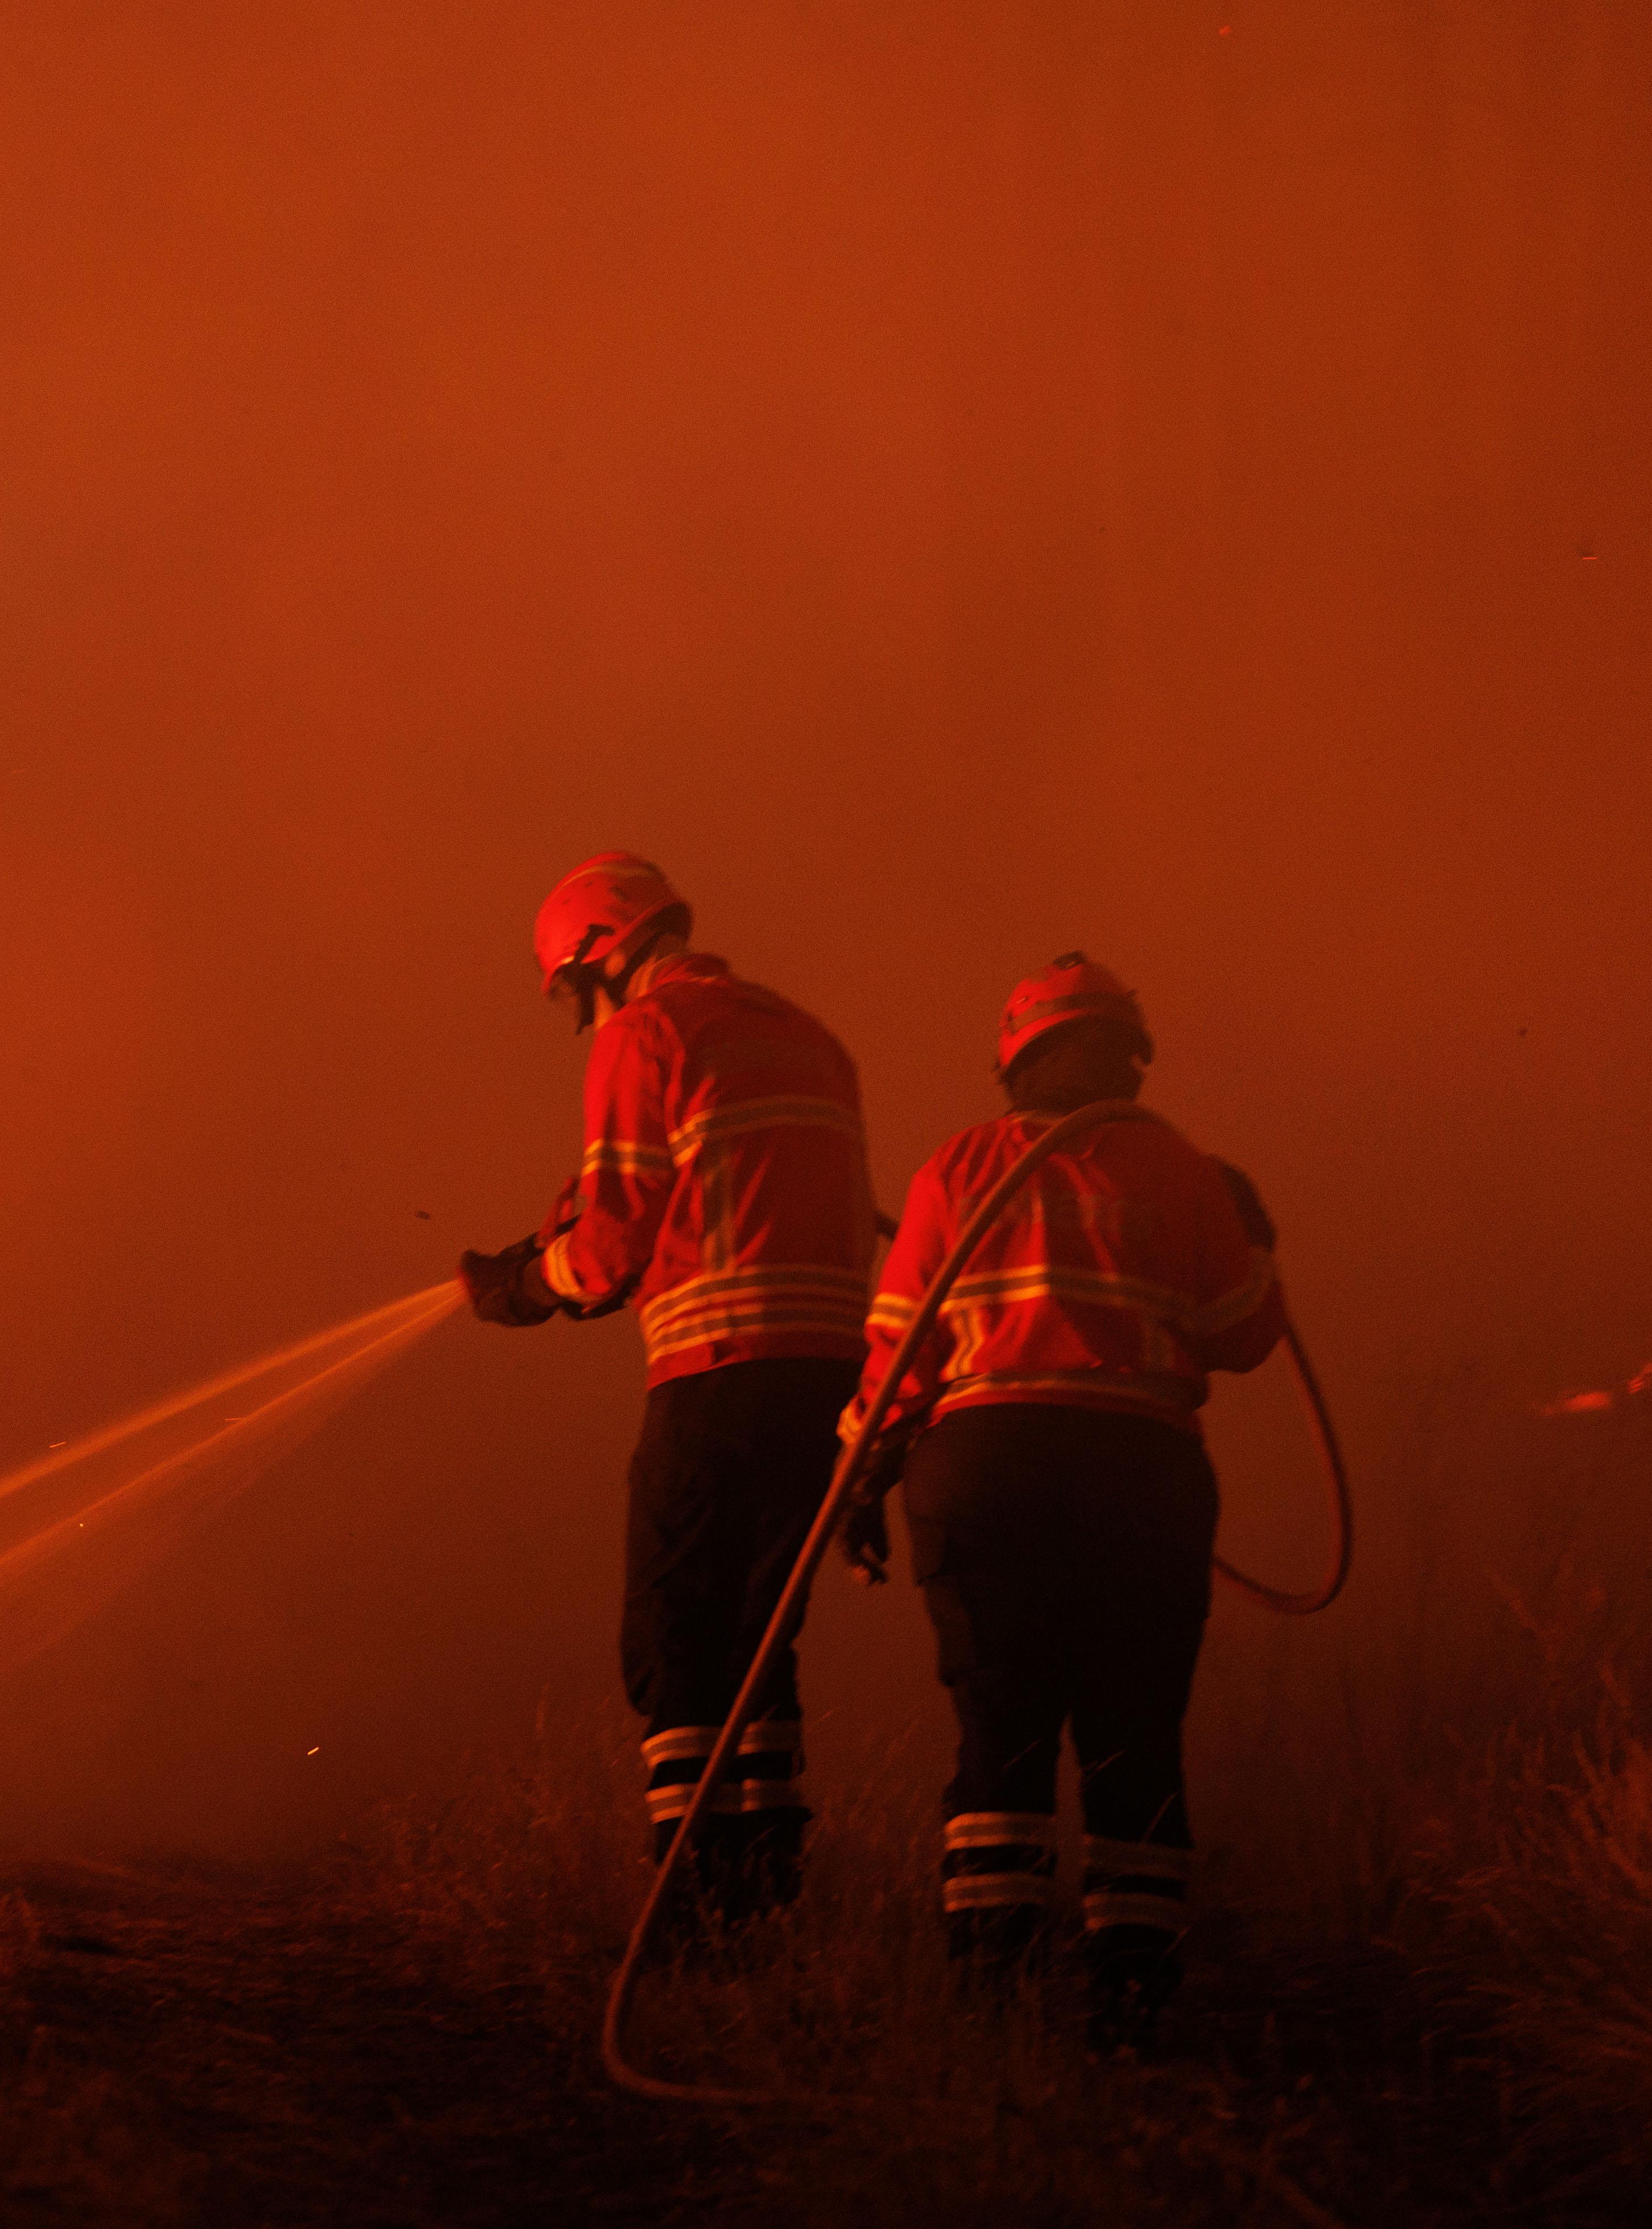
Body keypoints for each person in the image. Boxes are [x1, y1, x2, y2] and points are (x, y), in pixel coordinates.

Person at [840, 952, 1280, 2051]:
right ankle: (1131, 2006)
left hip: (984, 1470)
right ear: (1130, 1058)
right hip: (1141, 1470)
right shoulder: (1185, 1172)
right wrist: (1256, 1234)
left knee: (1003, 1728)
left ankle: (993, 1999)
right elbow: (1243, 1332)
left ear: (1015, 1063)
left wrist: (859, 1474)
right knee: (1135, 1732)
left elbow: (899, 1356)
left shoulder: (957, 1169)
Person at [460, 852, 875, 1927]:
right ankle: (767, 1889)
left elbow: (610, 1243)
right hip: (828, 1384)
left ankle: (692, 1912)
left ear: (602, 957)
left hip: (714, 1371)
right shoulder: (809, 1035)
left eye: (570, 990)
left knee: (675, 1639)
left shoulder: (645, 1035)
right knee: (758, 1635)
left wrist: (528, 1284)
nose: (576, 1012)